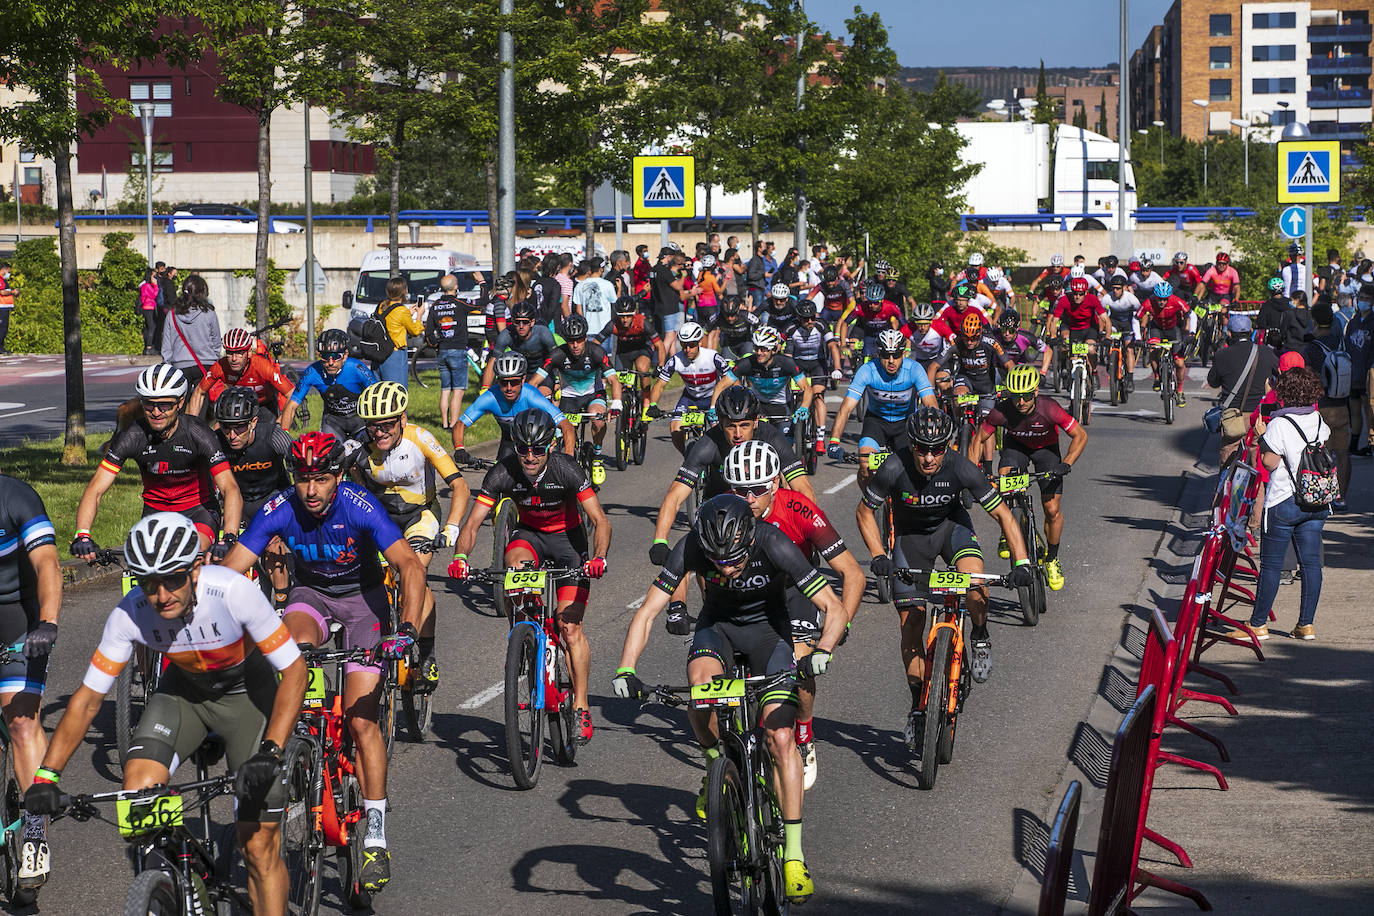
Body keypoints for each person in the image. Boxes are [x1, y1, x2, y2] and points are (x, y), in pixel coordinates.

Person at [29, 512, 308, 915]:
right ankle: (175, 888)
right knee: (138, 795)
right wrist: (47, 775)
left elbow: (294, 672)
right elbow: (88, 698)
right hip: (183, 696)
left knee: (257, 846)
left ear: (196, 568)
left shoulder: (233, 592)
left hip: (248, 697)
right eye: (148, 583)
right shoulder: (130, 613)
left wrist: (272, 751)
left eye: (173, 579)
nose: (161, 595)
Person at [614, 493, 849, 905]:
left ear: (750, 537)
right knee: (700, 696)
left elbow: (832, 604)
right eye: (717, 561)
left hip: (770, 635)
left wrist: (823, 650)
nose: (726, 567)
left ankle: (793, 854)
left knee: (779, 739)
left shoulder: (773, 542)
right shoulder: (690, 547)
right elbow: (647, 611)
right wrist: (626, 668)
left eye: (734, 559)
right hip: (716, 630)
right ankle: (713, 765)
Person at [224, 432, 428, 893]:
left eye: (320, 478)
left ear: (337, 476)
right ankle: (302, 747)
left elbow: (409, 566)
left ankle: (374, 833)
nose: (310, 489)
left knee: (361, 724)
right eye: (302, 478)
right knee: (292, 653)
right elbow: (232, 567)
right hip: (310, 597)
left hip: (364, 603)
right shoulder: (280, 508)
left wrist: (407, 631)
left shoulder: (359, 505)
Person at [856, 408, 1033, 745]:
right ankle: (917, 708)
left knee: (976, 584)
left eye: (936, 449)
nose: (927, 457)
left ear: (948, 445)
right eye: (921, 447)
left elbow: (1003, 515)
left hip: (952, 531)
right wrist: (879, 555)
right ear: (911, 444)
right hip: (910, 541)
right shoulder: (894, 466)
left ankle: (979, 635)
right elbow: (864, 512)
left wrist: (1022, 563)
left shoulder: (962, 467)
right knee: (911, 625)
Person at [449, 410, 612, 743]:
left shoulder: (566, 469)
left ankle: (580, 704)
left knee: (569, 627)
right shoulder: (503, 472)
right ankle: (524, 632)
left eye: (537, 449)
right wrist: (461, 557)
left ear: (549, 446)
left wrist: (598, 557)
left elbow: (600, 520)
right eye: (523, 449)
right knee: (515, 569)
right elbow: (473, 522)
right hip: (530, 536)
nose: (530, 457)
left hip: (569, 541)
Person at [721, 441, 864, 789]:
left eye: (757, 489)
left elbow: (853, 574)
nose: (749, 498)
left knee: (799, 660)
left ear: (775, 484)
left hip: (795, 589)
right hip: (747, 591)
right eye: (740, 490)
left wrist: (841, 620)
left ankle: (803, 734)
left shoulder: (798, 508)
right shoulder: (723, 511)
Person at [349, 381, 471, 691]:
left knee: (413, 573)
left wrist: (451, 529)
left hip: (420, 516)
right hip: (381, 520)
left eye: (387, 424)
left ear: (402, 419)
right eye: (373, 426)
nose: (379, 433)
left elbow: (460, 486)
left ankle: (427, 656)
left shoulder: (421, 438)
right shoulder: (360, 447)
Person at [71, 364, 242, 561]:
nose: (156, 412)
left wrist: (229, 537)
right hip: (155, 513)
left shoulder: (198, 434)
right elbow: (95, 489)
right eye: (149, 404)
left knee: (192, 555)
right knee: (145, 570)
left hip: (198, 512)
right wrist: (82, 534)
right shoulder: (132, 436)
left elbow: (230, 488)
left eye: (165, 405)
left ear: (180, 403)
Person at [649, 386, 814, 565]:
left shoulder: (772, 437)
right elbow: (674, 496)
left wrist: (810, 537)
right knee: (692, 559)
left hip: (763, 502)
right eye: (730, 426)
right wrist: (660, 541)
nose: (737, 434)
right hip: (721, 501)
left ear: (756, 421)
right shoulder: (707, 444)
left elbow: (803, 487)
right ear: (720, 423)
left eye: (744, 425)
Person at [971, 366, 1087, 590]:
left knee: (1051, 508)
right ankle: (1008, 530)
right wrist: (973, 474)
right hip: (1017, 448)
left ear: (1034, 392)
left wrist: (1067, 464)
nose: (1020, 402)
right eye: (1015, 396)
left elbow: (1080, 435)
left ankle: (1052, 558)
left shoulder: (1050, 408)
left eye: (1025, 396)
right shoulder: (1002, 411)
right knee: (1004, 479)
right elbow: (978, 440)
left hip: (1046, 450)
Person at [0, 474, 61, 888]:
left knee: (20, 720)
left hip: (18, 613)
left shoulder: (16, 496)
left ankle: (35, 836)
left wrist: (48, 622)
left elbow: (48, 566)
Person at [1247, 368, 1330, 640]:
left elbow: (1270, 463)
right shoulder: (1317, 419)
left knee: (1271, 566)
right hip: (1315, 501)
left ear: (1285, 393)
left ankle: (1258, 624)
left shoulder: (1279, 425)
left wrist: (1261, 437)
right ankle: (1306, 625)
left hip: (1284, 500)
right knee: (1311, 566)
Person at [213, 387, 294, 606]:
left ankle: (281, 602)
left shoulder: (272, 435)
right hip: (238, 503)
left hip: (274, 498)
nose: (231, 435)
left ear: (253, 422)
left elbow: (299, 462)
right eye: (226, 427)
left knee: (272, 544)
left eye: (239, 428)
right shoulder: (215, 441)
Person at [826, 328, 939, 474]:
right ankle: (870, 497)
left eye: (896, 355)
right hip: (876, 422)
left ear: (903, 353)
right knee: (865, 465)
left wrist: (935, 436)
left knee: (915, 470)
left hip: (906, 423)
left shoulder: (914, 369)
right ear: (879, 354)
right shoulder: (867, 370)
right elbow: (846, 409)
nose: (891, 361)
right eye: (886, 355)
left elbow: (931, 405)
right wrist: (834, 441)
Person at [533, 314, 623, 480]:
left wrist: (616, 403)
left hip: (592, 395)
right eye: (570, 340)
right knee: (563, 432)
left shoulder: (596, 351)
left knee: (598, 420)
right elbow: (534, 382)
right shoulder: (557, 354)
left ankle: (597, 456)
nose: (575, 345)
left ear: (586, 337)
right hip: (569, 398)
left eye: (579, 340)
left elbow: (613, 380)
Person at [453, 351, 575, 460]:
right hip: (509, 442)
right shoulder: (490, 397)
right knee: (498, 480)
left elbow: (567, 426)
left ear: (523, 380)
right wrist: (459, 448)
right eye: (504, 382)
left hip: (538, 443)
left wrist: (569, 457)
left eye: (514, 382)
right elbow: (460, 424)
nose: (509, 388)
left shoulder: (532, 396)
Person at [646, 320, 729, 454]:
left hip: (713, 398)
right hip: (690, 398)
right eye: (684, 346)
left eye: (691, 345)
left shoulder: (713, 357)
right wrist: (653, 404)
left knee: (721, 432)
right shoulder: (675, 360)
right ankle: (688, 458)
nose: (687, 350)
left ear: (700, 343)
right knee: (675, 429)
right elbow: (660, 384)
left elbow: (730, 378)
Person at [280, 328, 379, 440]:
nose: (330, 363)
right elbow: (292, 405)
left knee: (365, 454)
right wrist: (284, 435)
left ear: (345, 355)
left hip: (360, 421)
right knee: (326, 454)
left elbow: (377, 396)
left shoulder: (357, 368)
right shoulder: (312, 372)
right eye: (325, 357)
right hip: (333, 422)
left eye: (336, 356)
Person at [1207, 317, 1280, 466]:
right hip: (1258, 415)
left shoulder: (1222, 355)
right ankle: (1256, 489)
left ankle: (1225, 487)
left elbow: (1213, 382)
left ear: (1229, 333)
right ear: (1251, 331)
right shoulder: (1265, 352)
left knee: (1228, 457)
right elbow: (1279, 376)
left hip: (1233, 416)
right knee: (1256, 459)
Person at [186, 327, 296, 422]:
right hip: (238, 405)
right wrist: (192, 425)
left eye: (239, 353)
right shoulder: (220, 366)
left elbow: (291, 393)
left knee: (266, 439)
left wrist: (281, 421)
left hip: (264, 406)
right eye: (229, 353)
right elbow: (199, 391)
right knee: (218, 433)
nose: (234, 359)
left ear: (248, 352)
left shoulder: (262, 366)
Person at [713, 326, 811, 429]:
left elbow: (806, 388)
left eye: (763, 349)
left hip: (781, 407)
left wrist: (804, 407)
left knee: (786, 442)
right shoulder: (747, 363)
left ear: (773, 349)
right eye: (756, 348)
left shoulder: (786, 363)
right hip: (757, 406)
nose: (759, 352)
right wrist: (712, 408)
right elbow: (721, 385)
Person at [1304, 300, 1353, 506]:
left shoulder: (1312, 348)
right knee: (1343, 454)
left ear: (1314, 321)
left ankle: (1325, 496)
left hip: (1322, 407)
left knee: (1324, 454)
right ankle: (1341, 498)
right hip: (1343, 405)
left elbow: (1307, 377)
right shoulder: (1340, 342)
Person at [783, 299, 843, 446]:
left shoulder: (821, 324)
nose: (810, 321)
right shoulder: (790, 327)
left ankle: (820, 438)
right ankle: (793, 428)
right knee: (794, 397)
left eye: (812, 318)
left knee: (817, 397)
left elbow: (833, 346)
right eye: (805, 319)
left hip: (818, 363)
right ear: (798, 318)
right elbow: (782, 350)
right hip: (798, 364)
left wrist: (837, 368)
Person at [591, 297, 666, 406]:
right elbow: (595, 343)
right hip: (623, 353)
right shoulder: (613, 324)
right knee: (619, 383)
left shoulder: (642, 322)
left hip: (641, 350)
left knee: (642, 369)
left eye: (628, 316)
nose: (625, 320)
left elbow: (660, 346)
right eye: (622, 316)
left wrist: (660, 366)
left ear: (634, 313)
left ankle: (646, 402)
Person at [425, 274, 475, 429]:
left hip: (443, 351)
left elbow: (428, 331)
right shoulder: (460, 303)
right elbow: (482, 302)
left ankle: (444, 423)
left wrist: (435, 344)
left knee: (445, 390)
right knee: (458, 391)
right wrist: (481, 282)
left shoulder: (435, 305)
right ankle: (454, 424)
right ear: (456, 286)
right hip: (457, 350)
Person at [1136, 280, 1195, 406]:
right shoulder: (1148, 302)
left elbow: (1192, 315)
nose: (1162, 302)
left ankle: (1179, 392)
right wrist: (1138, 338)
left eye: (1165, 299)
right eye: (1159, 299)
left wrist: (1192, 334)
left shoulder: (1176, 300)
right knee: (1153, 349)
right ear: (1155, 297)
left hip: (1173, 330)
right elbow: (1135, 318)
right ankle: (1157, 376)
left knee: (1179, 362)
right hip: (1157, 329)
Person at [161, 274, 222, 392]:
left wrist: (167, 363)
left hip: (180, 365)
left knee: (181, 406)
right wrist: (214, 357)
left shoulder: (172, 314)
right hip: (206, 364)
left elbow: (167, 345)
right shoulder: (209, 313)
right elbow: (216, 340)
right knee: (202, 405)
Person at [482, 300, 559, 390]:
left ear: (532, 322)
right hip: (520, 374)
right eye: (517, 322)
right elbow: (493, 361)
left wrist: (558, 382)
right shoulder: (506, 334)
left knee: (541, 396)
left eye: (525, 322)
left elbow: (557, 359)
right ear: (512, 321)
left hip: (543, 372)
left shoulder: (543, 333)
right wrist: (485, 388)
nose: (521, 326)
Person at [371, 277, 423, 385]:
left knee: (380, 390)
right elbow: (415, 331)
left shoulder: (381, 306)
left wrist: (408, 313)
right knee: (396, 391)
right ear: (404, 291)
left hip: (378, 353)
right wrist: (419, 315)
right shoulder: (401, 310)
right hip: (393, 354)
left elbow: (392, 321)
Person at [704, 294, 759, 361]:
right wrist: (704, 352)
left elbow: (760, 327)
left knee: (747, 363)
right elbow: (705, 332)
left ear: (738, 311)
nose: (730, 318)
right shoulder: (717, 317)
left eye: (733, 315)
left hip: (746, 343)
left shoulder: (746, 315)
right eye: (726, 315)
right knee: (727, 368)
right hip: (729, 345)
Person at [572, 257, 616, 334]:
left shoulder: (579, 286)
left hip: (587, 330)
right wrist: (619, 289)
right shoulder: (608, 285)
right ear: (601, 269)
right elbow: (615, 301)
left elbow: (579, 310)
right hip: (605, 330)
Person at [139, 268, 160, 355]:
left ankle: (148, 346)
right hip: (148, 307)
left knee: (149, 327)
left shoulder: (146, 285)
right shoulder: (147, 286)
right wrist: (155, 286)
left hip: (149, 307)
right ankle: (149, 347)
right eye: (153, 276)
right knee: (152, 326)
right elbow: (153, 295)